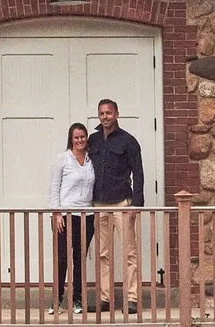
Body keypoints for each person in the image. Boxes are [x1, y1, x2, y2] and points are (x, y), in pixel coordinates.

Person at [84, 97, 144, 313]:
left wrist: (136, 203)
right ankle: (105, 298)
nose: (105, 117)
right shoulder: (94, 140)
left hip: (122, 203)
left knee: (130, 252)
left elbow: (138, 171)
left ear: (117, 114)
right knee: (103, 254)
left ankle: (132, 298)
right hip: (99, 204)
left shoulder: (128, 141)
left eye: (108, 113)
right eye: (101, 113)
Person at [49, 121, 95, 312]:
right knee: (62, 258)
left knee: (79, 259)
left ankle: (77, 300)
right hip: (66, 216)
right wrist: (56, 213)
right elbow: (54, 187)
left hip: (87, 215)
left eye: (82, 137)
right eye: (76, 137)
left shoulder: (92, 159)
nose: (80, 140)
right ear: (71, 139)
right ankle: (57, 300)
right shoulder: (63, 159)